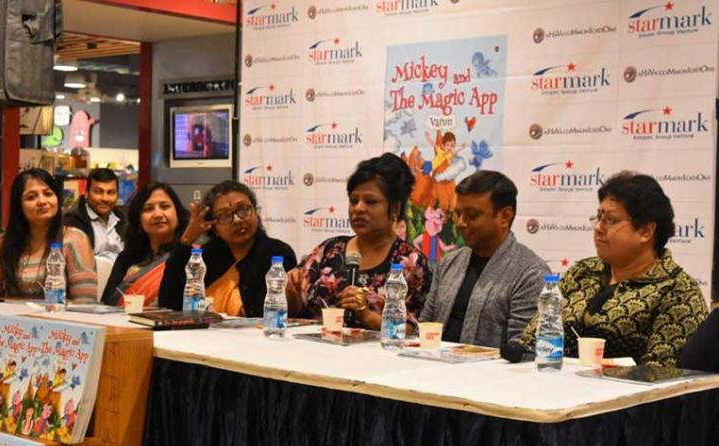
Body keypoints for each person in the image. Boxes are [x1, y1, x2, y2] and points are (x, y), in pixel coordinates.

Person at [515, 171, 707, 367]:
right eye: (599, 217)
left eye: (611, 220)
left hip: (621, 386)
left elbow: (663, 372)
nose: (598, 227)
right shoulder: (582, 272)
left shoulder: (677, 290)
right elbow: (529, 341)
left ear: (645, 231)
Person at [286, 153, 432, 329]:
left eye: (370, 202)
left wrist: (366, 315)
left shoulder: (411, 262)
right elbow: (295, 311)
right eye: (354, 201)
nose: (359, 208)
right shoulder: (330, 249)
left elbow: (411, 329)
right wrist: (290, 290)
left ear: (395, 208)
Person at [419, 171, 549, 347]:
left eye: (472, 215)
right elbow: (425, 326)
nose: (460, 223)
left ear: (505, 216)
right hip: (431, 361)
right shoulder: (449, 262)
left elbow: (523, 348)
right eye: (458, 214)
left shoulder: (531, 274)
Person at [159, 180, 297, 316]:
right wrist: (186, 240)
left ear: (256, 211)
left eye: (243, 209)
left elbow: (283, 311)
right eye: (224, 216)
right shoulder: (205, 258)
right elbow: (169, 304)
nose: (237, 220)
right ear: (214, 228)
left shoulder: (278, 255)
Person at [0, 168, 97, 302]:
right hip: (12, 315)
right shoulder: (3, 242)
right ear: (18, 206)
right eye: (31, 197)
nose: (42, 201)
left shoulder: (74, 239)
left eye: (48, 194)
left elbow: (85, 302)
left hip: (58, 314)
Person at [101, 183, 188, 307]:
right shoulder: (127, 258)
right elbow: (107, 305)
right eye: (148, 209)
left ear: (178, 214)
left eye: (164, 206)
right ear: (139, 221)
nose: (158, 214)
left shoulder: (190, 257)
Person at [64, 168, 125, 261]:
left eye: (111, 193)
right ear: (86, 193)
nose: (105, 198)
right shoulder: (72, 222)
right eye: (98, 192)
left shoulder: (123, 220)